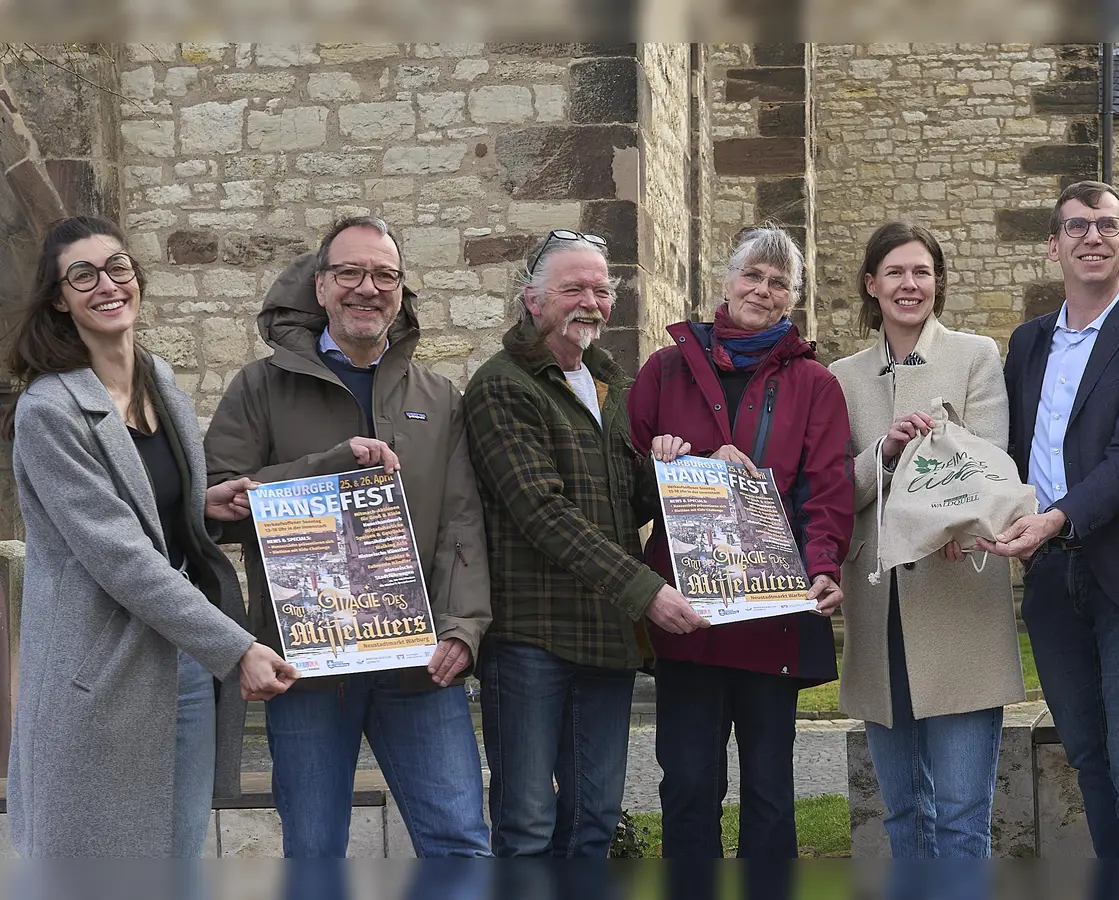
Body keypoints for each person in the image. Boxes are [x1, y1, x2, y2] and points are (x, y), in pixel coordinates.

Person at [4, 216, 297, 857]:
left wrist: (203, 505)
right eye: (81, 275)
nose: (105, 285)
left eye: (117, 267)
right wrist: (237, 647)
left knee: (178, 859)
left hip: (183, 664)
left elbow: (154, 519)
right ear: (58, 298)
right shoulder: (48, 410)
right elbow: (121, 555)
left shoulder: (160, 384)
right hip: (100, 675)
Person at [206, 215, 493, 857]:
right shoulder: (259, 387)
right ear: (320, 286)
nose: (368, 287)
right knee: (314, 855)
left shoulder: (440, 396)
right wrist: (324, 468)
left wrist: (464, 627)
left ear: (400, 289)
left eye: (385, 275)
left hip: (419, 663)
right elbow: (214, 503)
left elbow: (461, 522)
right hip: (306, 665)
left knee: (461, 847)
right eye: (350, 273)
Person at [465, 229, 706, 858]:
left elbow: (624, 505)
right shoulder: (502, 386)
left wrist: (673, 473)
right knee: (526, 823)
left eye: (601, 290)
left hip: (603, 636)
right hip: (531, 640)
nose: (591, 302)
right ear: (532, 300)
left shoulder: (606, 385)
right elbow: (541, 511)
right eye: (574, 288)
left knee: (594, 821)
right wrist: (649, 593)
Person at [979, 181, 1119, 858]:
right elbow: (1008, 457)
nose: (1092, 237)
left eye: (1107, 226)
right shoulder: (1026, 344)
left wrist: (1053, 520)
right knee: (1091, 759)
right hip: (1051, 580)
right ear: (1053, 247)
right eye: (1076, 227)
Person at [630, 225, 853, 859]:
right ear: (726, 282)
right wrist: (662, 460)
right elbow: (624, 471)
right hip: (688, 609)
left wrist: (824, 564)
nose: (762, 289)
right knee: (690, 783)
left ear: (793, 298)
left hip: (773, 609)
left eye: (778, 282)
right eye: (752, 275)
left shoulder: (815, 384)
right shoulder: (666, 369)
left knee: (769, 787)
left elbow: (826, 485)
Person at [828, 222, 1023, 858]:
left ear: (937, 282)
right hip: (878, 603)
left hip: (957, 593)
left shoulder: (975, 355)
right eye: (895, 273)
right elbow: (836, 491)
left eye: (922, 272)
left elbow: (991, 463)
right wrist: (882, 452)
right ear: (871, 285)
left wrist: (946, 512)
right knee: (903, 810)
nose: (910, 285)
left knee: (964, 811)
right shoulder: (842, 376)